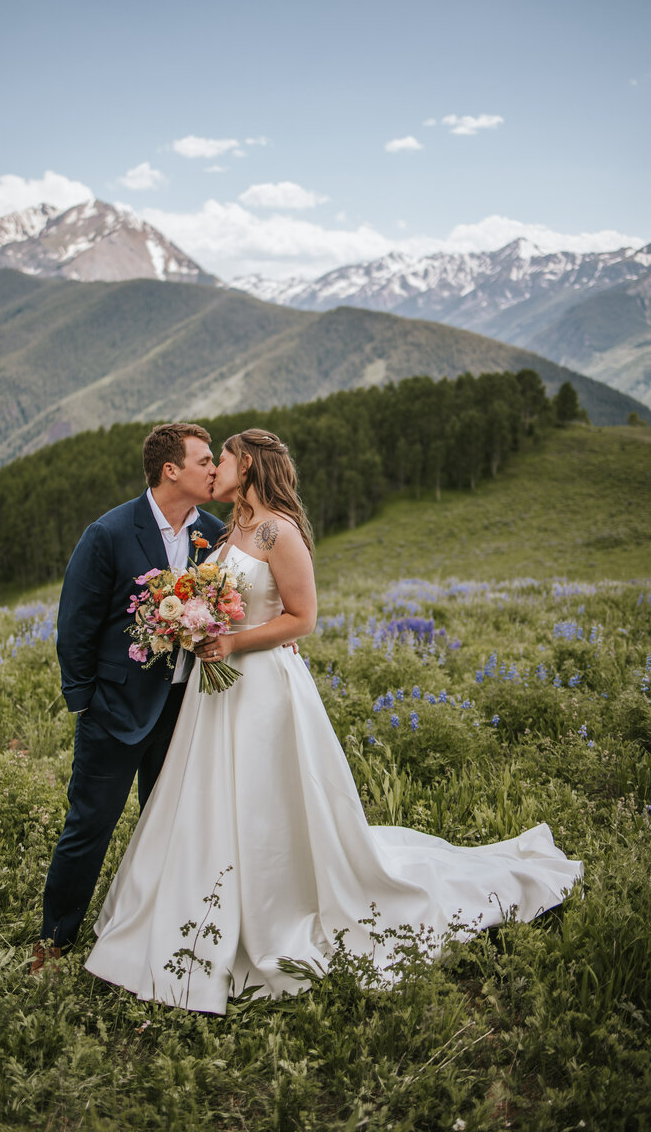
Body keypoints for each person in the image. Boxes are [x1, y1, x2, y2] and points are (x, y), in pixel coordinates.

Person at [85, 429, 582, 1012]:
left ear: (246, 465)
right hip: (215, 691)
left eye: (221, 458)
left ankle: (273, 913)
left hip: (260, 691)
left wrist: (232, 643)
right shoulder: (225, 532)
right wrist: (194, 627)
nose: (214, 467)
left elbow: (303, 618)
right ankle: (199, 912)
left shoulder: (279, 530)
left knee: (265, 805)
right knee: (208, 799)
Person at [32, 423, 225, 972]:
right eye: (205, 460)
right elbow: (76, 625)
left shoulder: (213, 533)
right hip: (114, 712)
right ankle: (55, 941)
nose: (215, 469)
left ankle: (159, 939)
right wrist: (85, 702)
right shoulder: (110, 532)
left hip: (186, 708)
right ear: (172, 470)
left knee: (170, 829)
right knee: (88, 827)